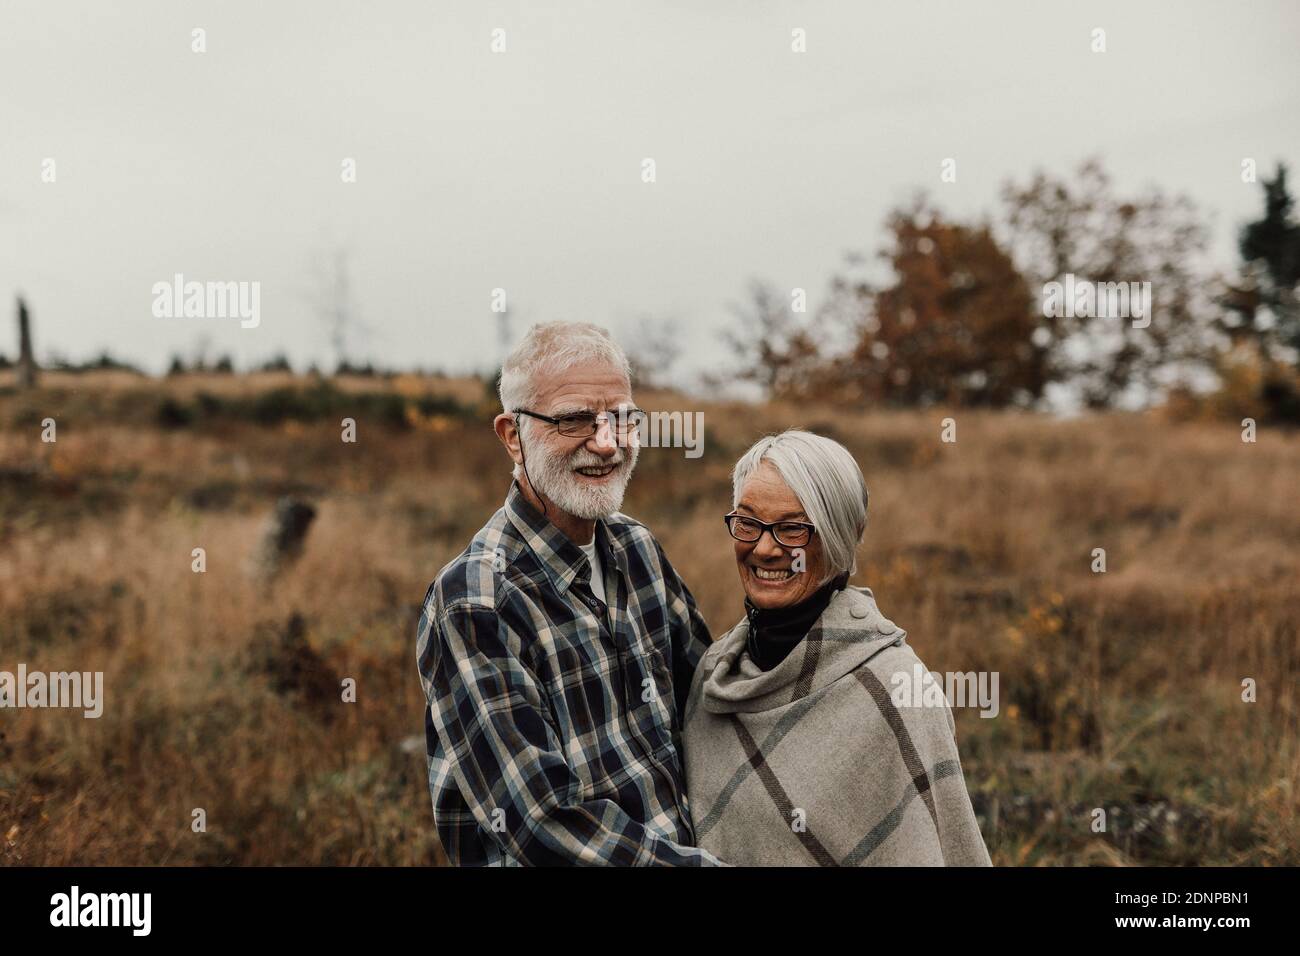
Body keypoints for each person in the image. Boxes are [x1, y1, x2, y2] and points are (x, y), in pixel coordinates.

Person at [416, 321, 723, 865]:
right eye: (575, 419)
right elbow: (541, 824)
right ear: (512, 436)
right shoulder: (477, 600)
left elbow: (711, 702)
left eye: (622, 419)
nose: (606, 444)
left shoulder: (637, 550)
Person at [683, 429, 991, 866]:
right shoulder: (714, 675)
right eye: (748, 523)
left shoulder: (896, 688)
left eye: (792, 529)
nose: (765, 548)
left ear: (841, 536)